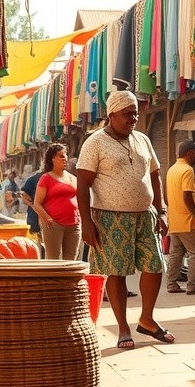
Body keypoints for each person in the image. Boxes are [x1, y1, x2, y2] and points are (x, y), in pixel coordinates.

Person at [76, 89, 174, 350]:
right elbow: (83, 184)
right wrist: (86, 222)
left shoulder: (142, 139)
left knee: (155, 265)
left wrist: (161, 209)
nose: (133, 119)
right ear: (112, 115)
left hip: (145, 216)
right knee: (116, 271)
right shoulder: (95, 142)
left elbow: (155, 175)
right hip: (109, 217)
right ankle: (122, 328)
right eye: (128, 114)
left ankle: (147, 319)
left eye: (136, 114)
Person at [166, 139, 195, 296]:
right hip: (187, 221)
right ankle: (193, 285)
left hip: (174, 221)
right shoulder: (187, 170)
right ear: (190, 153)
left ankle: (171, 283)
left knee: (176, 253)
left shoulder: (172, 169)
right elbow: (186, 196)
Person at [34, 144, 82, 260]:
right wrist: (47, 219)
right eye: (60, 156)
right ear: (52, 159)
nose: (64, 158)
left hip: (74, 225)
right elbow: (37, 204)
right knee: (53, 260)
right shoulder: (46, 178)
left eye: (65, 155)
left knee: (71, 261)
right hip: (54, 225)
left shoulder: (73, 178)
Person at [21, 166, 44, 249]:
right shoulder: (33, 180)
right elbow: (23, 196)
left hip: (51, 220)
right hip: (34, 218)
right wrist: (34, 206)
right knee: (37, 246)